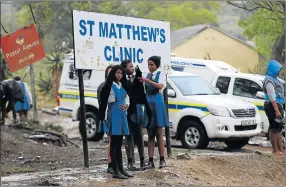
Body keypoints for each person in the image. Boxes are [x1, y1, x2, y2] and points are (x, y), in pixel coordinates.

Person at [99, 65, 133, 179]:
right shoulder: (109, 87)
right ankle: (115, 170)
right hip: (113, 116)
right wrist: (104, 120)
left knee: (119, 143)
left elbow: (127, 97)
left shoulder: (122, 85)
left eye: (121, 73)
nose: (119, 75)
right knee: (114, 144)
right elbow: (104, 104)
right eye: (117, 73)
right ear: (113, 74)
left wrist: (127, 104)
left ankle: (121, 168)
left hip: (122, 116)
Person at [138, 56, 168, 169]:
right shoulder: (147, 75)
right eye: (149, 65)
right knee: (150, 133)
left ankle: (162, 159)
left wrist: (147, 81)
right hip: (149, 102)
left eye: (152, 65)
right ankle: (150, 160)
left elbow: (160, 86)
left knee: (159, 132)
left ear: (157, 65)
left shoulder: (161, 75)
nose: (150, 67)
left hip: (158, 102)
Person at [120, 60, 148, 171]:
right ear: (124, 69)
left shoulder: (138, 79)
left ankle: (142, 160)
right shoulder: (122, 80)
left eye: (133, 67)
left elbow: (141, 94)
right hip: (127, 111)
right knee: (128, 136)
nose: (132, 68)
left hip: (137, 111)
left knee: (139, 136)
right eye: (130, 66)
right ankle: (130, 161)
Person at [263, 59, 285, 155]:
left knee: (278, 128)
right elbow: (272, 96)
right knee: (274, 128)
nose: (279, 72)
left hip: (278, 106)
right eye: (278, 70)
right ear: (273, 69)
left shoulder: (275, 79)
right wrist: (276, 110)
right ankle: (275, 150)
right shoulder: (269, 80)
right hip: (272, 106)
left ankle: (281, 150)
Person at [97, 65, 114, 174]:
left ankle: (117, 163)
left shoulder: (119, 85)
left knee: (117, 141)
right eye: (109, 73)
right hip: (108, 115)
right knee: (111, 141)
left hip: (118, 115)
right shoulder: (102, 86)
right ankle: (110, 164)